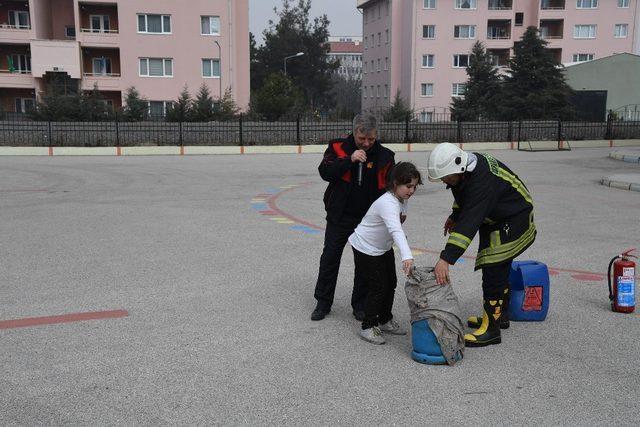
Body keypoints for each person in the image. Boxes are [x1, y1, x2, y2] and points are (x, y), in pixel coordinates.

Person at [427, 143, 536, 347]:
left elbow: (468, 224)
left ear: (458, 169)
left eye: (446, 177)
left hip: (513, 218)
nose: (444, 181)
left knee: (494, 266)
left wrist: (445, 259)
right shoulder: (466, 170)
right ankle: (498, 317)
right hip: (500, 215)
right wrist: (455, 215)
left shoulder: (481, 182)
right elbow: (461, 194)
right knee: (499, 267)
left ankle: (492, 330)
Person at [311, 114, 395, 321]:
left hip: (369, 220)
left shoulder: (386, 156)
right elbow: (325, 172)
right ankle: (323, 302)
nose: (366, 144)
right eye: (361, 139)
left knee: (365, 262)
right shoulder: (337, 147)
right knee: (330, 257)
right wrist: (350, 160)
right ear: (354, 132)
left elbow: (392, 189)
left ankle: (360, 304)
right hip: (340, 215)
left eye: (371, 139)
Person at [348, 162, 421, 344]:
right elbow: (395, 229)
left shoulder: (401, 200)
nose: (411, 190)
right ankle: (368, 326)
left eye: (414, 186)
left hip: (382, 247)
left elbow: (395, 228)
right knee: (378, 286)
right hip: (366, 247)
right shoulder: (387, 203)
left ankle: (385, 319)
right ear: (395, 183)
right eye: (408, 186)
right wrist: (407, 256)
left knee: (391, 283)